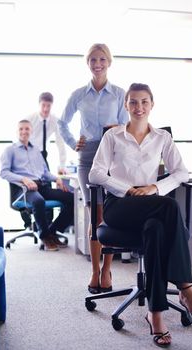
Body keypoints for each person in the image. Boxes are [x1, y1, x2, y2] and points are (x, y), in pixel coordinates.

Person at [89, 83, 192, 347]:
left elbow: (181, 173)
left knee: (156, 229)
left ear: (152, 105)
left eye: (144, 102)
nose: (139, 107)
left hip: (149, 206)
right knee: (169, 207)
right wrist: (129, 190)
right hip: (119, 207)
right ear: (126, 105)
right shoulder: (112, 136)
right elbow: (96, 174)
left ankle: (155, 314)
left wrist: (154, 188)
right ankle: (186, 288)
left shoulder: (162, 137)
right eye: (133, 102)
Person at [58, 43, 128, 293]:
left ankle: (108, 269)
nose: (97, 64)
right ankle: (94, 270)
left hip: (112, 156)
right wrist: (72, 142)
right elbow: (62, 122)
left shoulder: (120, 93)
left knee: (108, 214)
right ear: (88, 63)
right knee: (94, 215)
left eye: (102, 60)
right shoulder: (79, 94)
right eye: (93, 60)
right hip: (87, 157)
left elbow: (127, 125)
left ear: (109, 62)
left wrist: (116, 131)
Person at [0, 119, 74, 252]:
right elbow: (3, 172)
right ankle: (45, 236)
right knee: (38, 201)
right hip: (23, 189)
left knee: (71, 198)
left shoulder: (36, 151)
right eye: (21, 129)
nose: (24, 131)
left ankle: (53, 231)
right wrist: (24, 179)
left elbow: (44, 173)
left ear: (31, 131)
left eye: (27, 129)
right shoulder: (10, 150)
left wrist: (57, 178)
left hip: (42, 185)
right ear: (17, 131)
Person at [27, 92, 67, 172]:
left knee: (47, 183)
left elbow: (60, 142)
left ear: (52, 105)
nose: (46, 109)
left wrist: (62, 165)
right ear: (39, 104)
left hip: (42, 155)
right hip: (27, 154)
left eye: (48, 106)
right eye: (43, 105)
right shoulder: (29, 119)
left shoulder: (55, 120)